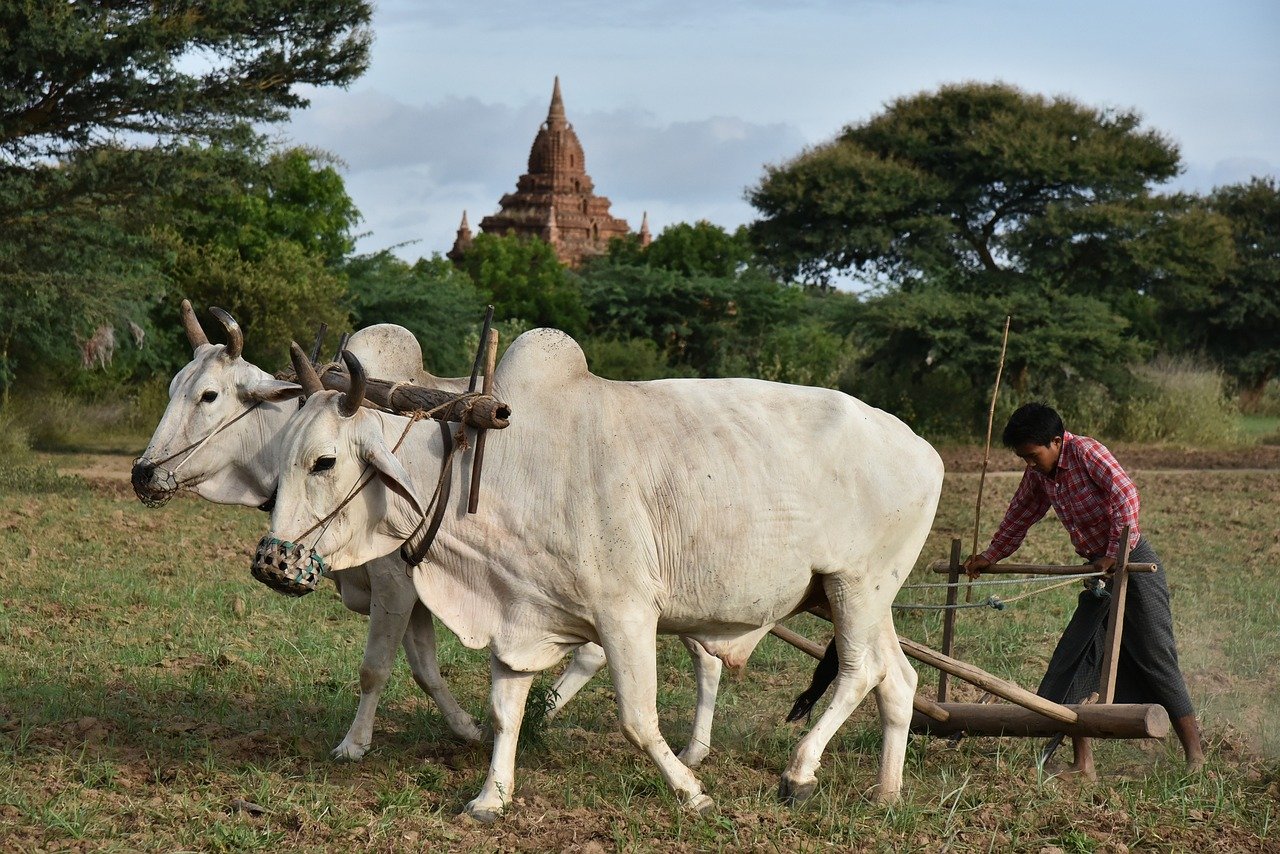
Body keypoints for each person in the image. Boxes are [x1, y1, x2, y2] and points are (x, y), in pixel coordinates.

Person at [964, 402, 1204, 780]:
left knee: (1156, 655)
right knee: (1079, 658)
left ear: (1056, 441)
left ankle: (1195, 756)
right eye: (1023, 458)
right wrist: (990, 555)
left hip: (1133, 564)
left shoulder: (1086, 453)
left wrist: (1114, 554)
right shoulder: (1039, 473)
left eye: (1033, 455)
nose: (1029, 464)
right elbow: (1020, 514)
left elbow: (1126, 495)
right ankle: (1083, 763)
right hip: (1099, 571)